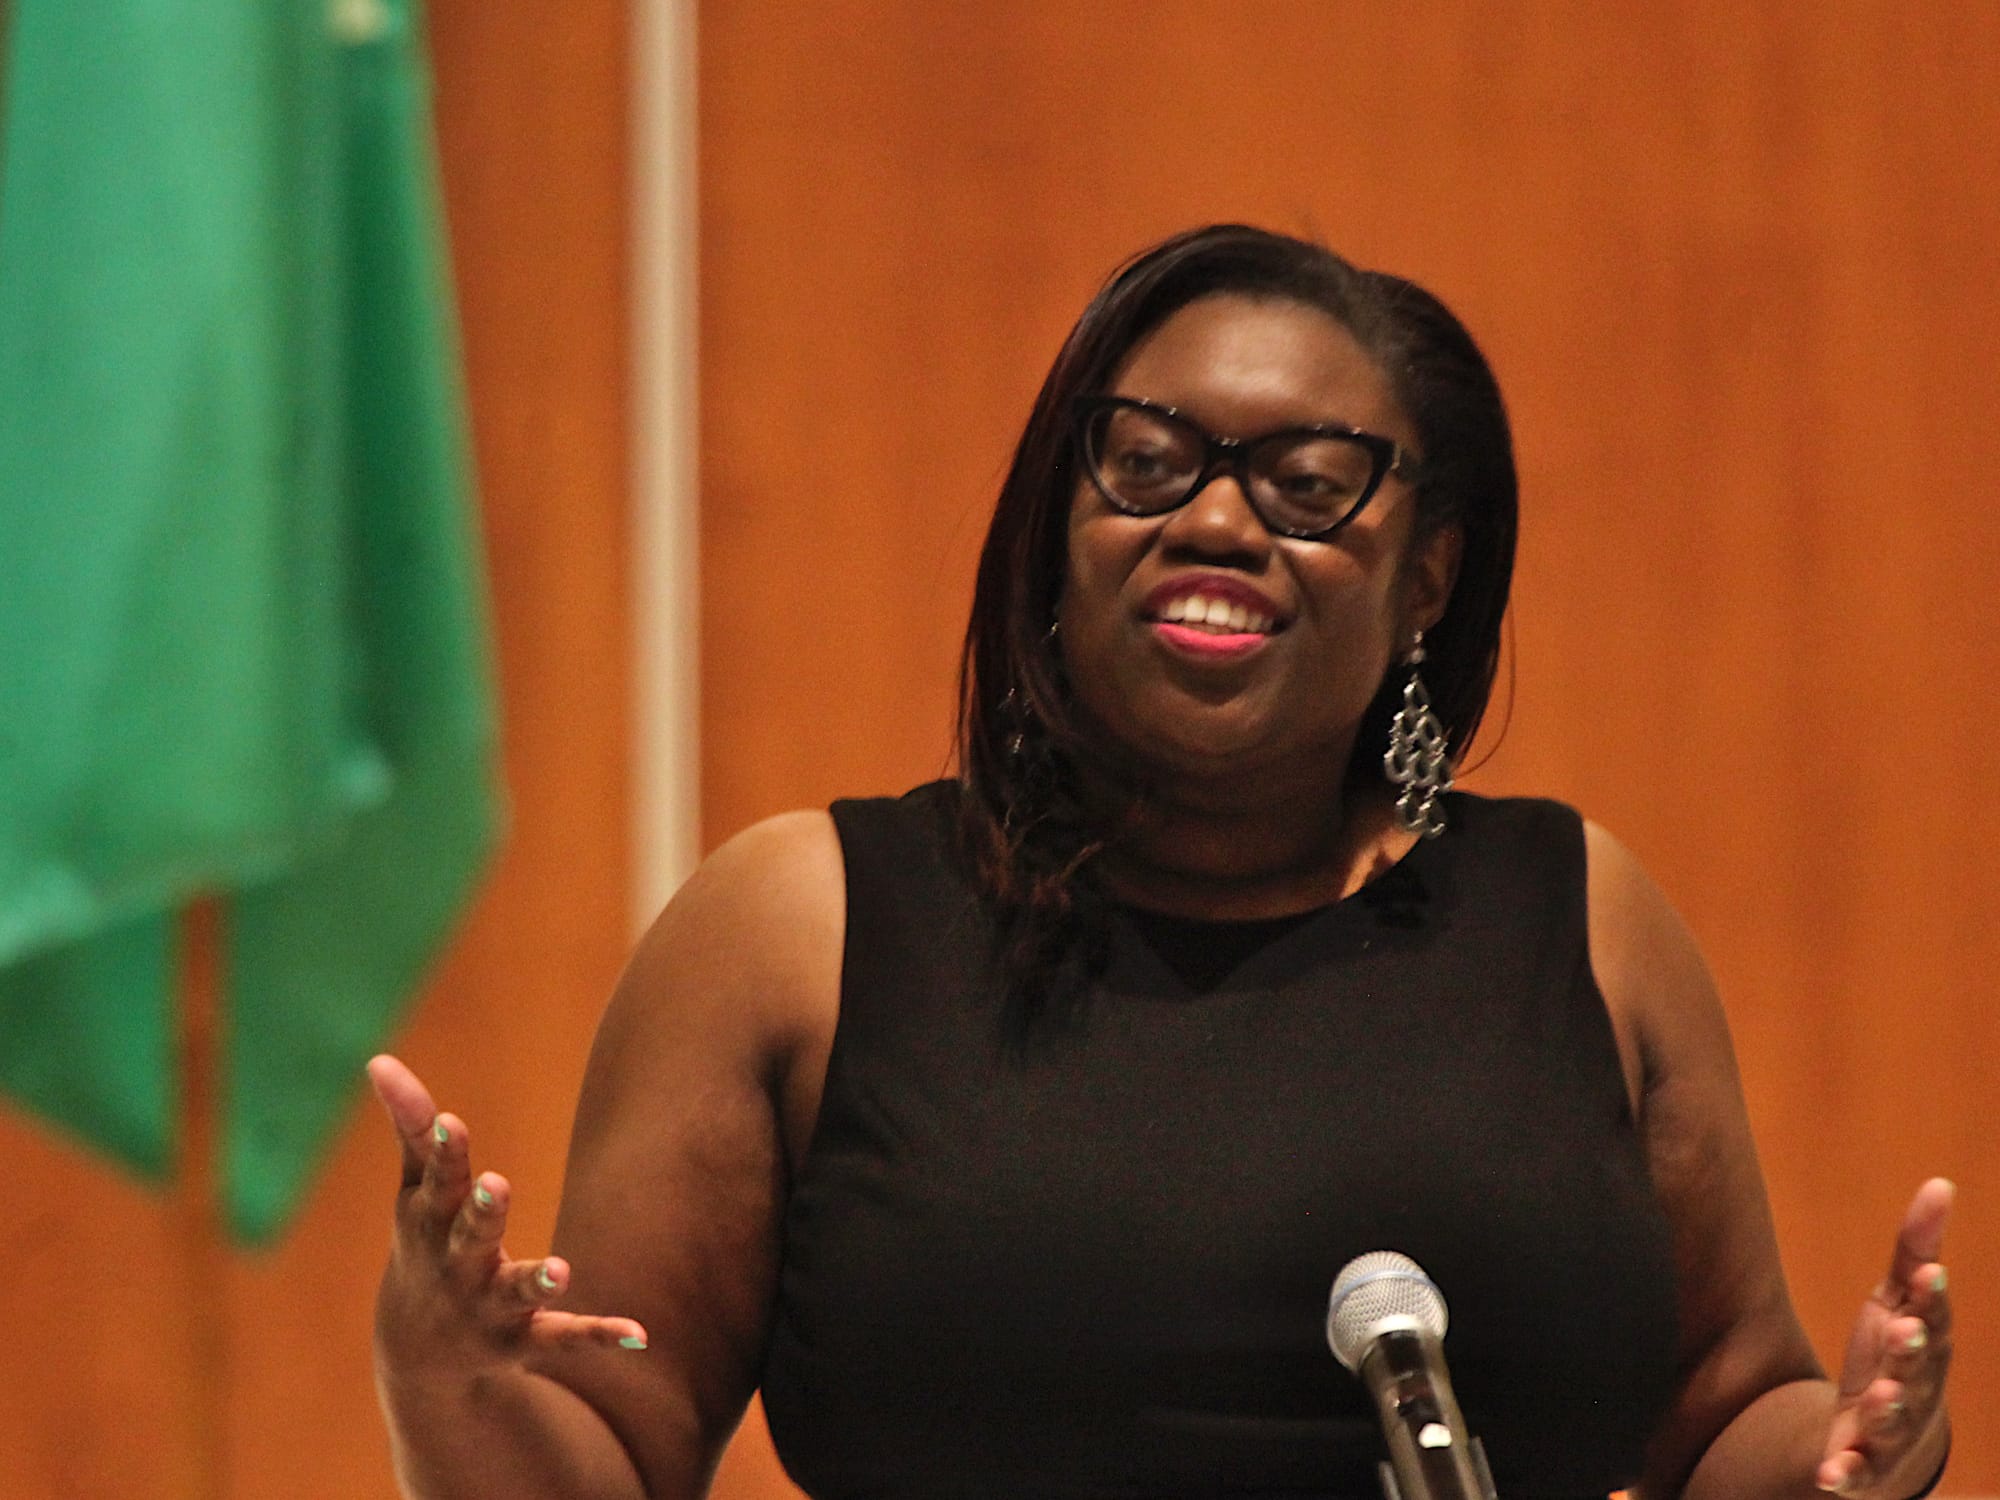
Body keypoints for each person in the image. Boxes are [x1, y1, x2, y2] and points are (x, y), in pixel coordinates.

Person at [366, 225, 1954, 1500]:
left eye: (1309, 486)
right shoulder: (802, 929)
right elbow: (614, 1463)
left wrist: (1853, 1455)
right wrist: (445, 1372)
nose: (1216, 519)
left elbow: (1726, 1408)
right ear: (1059, 534)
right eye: (1147, 463)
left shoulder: (1582, 922)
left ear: (1426, 584)